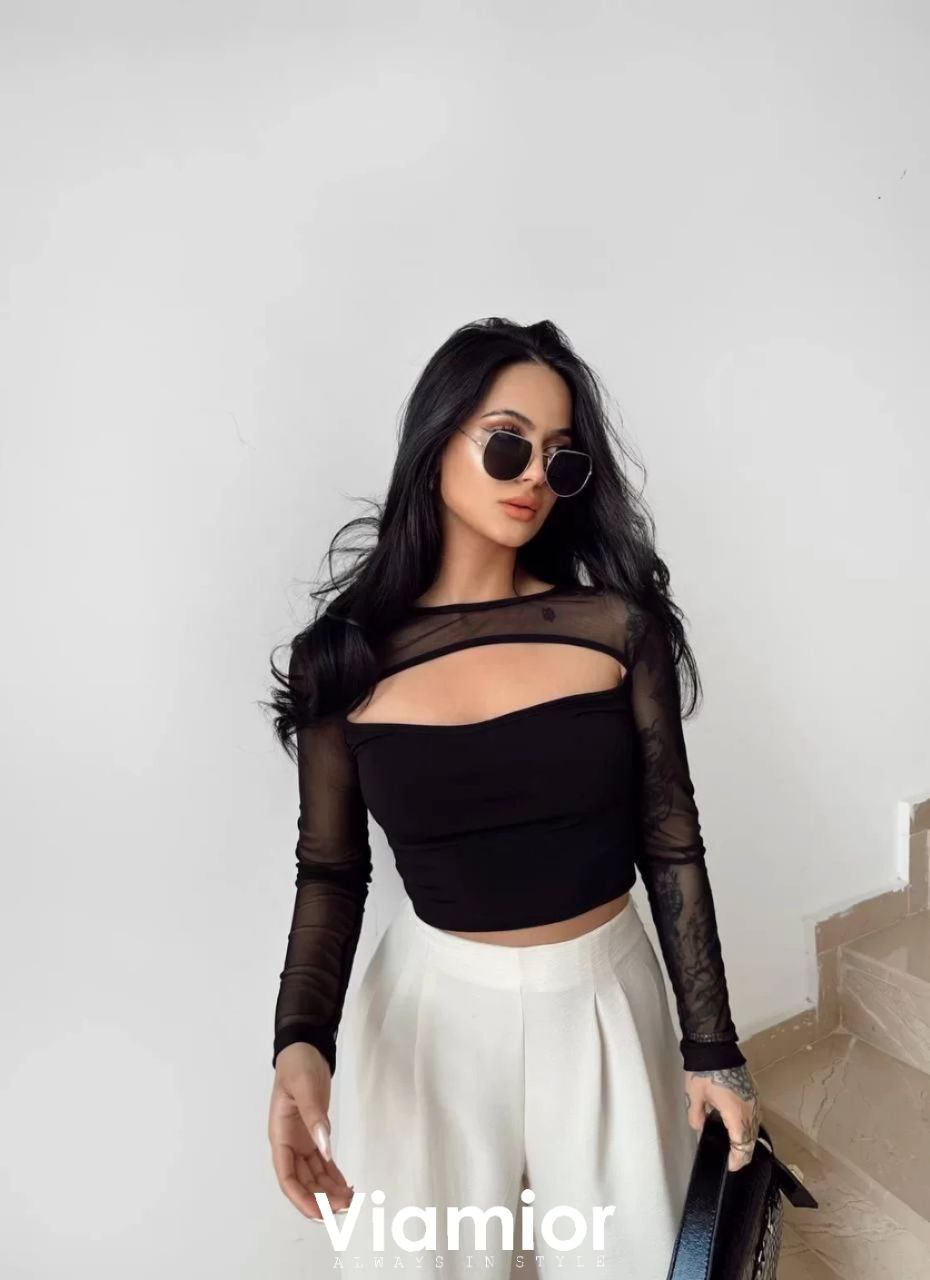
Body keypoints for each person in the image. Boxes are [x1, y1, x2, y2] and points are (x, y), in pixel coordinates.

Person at [263, 317, 762, 1277]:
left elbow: (670, 840)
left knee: (641, 1260)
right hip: (428, 1018)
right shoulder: (344, 660)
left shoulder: (616, 629)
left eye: (560, 459)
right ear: (436, 442)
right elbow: (330, 871)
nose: (533, 475)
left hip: (606, 999)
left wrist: (713, 1047)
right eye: (506, 443)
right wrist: (300, 1043)